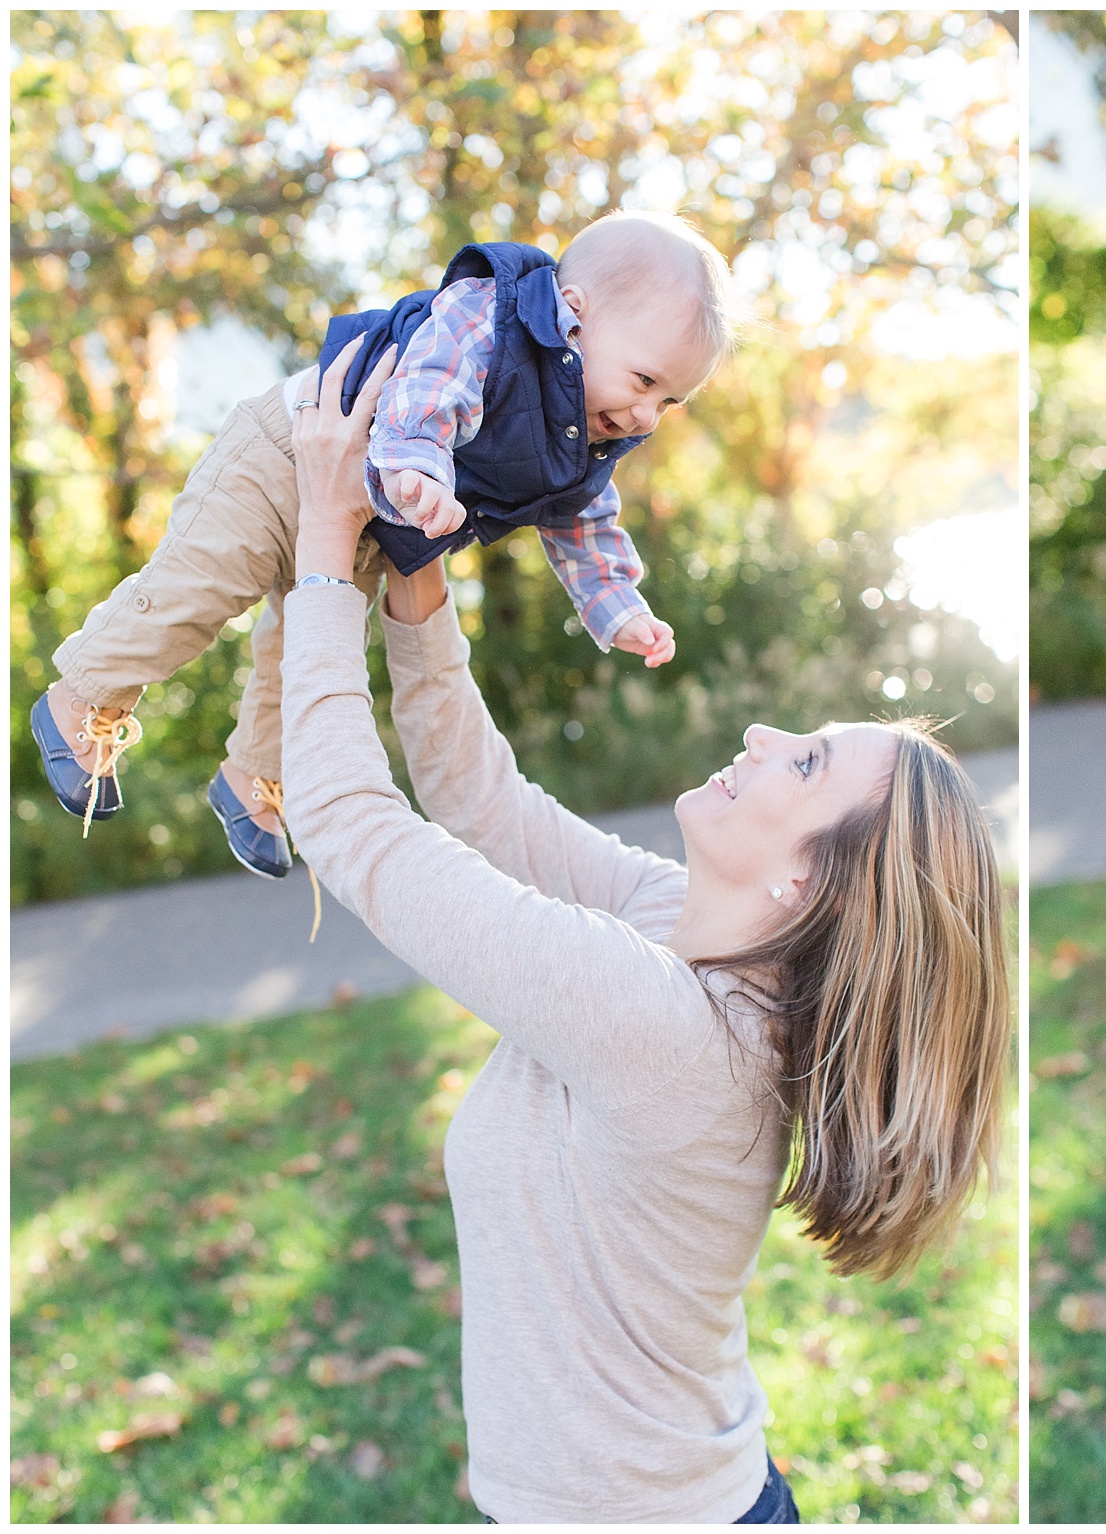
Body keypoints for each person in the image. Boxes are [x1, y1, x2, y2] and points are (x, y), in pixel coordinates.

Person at [278, 337, 1011, 1522]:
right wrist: (413, 583)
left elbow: (346, 822)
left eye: (806, 760)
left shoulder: (659, 1023)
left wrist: (323, 552)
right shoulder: (681, 935)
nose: (765, 734)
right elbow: (482, 806)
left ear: (811, 890)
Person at [30, 210, 731, 881]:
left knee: (298, 650)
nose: (645, 414)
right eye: (644, 381)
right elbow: (426, 390)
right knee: (204, 586)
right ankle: (86, 696)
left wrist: (618, 608)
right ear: (573, 313)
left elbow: (584, 522)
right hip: (283, 454)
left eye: (669, 401)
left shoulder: (586, 434)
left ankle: (253, 781)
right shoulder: (489, 316)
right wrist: (421, 469)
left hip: (367, 523)